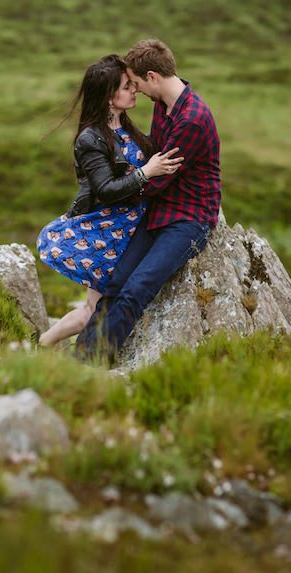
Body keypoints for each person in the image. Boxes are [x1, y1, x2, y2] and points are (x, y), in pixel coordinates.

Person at [75, 39, 222, 362]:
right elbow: (153, 163)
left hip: (189, 219)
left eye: (138, 83)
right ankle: (77, 360)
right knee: (114, 285)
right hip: (158, 211)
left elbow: (158, 179)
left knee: (136, 289)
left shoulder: (192, 120)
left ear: (153, 76)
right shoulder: (163, 105)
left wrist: (121, 188)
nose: (137, 91)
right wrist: (137, 178)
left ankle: (93, 363)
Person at [36, 54, 183, 347]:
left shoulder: (124, 126)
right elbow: (106, 189)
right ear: (108, 97)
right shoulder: (90, 138)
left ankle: (42, 344)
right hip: (106, 231)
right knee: (96, 306)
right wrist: (146, 172)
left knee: (97, 304)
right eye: (127, 86)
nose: (134, 90)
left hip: (130, 228)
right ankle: (42, 345)